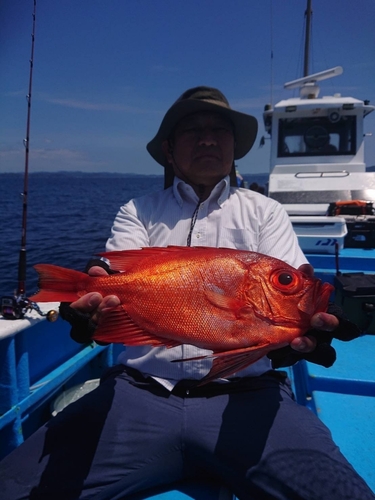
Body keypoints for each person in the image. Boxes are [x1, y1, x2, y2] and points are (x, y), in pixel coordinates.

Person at [1, 86, 373, 500]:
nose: (208, 138)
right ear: (169, 149)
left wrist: (296, 336)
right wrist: (93, 311)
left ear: (235, 146)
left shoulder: (265, 211)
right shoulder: (137, 210)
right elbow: (113, 272)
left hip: (247, 398)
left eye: (219, 129)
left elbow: (292, 288)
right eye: (193, 130)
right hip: (139, 393)